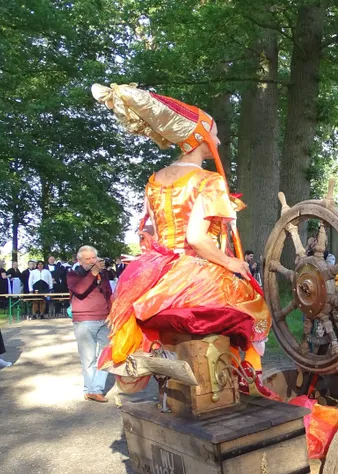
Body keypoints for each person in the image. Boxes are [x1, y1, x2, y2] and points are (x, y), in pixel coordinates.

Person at [91, 83, 274, 398]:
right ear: (201, 138)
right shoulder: (208, 180)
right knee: (257, 307)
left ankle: (170, 372)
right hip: (195, 272)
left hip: (158, 274)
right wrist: (231, 262)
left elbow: (149, 233)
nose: (219, 141)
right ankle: (247, 377)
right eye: (215, 135)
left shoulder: (154, 180)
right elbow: (196, 238)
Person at [67, 245, 113, 403]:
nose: (93, 261)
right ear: (80, 261)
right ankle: (92, 390)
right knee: (88, 358)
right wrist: (93, 273)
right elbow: (80, 290)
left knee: (107, 355)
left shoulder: (103, 274)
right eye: (88, 259)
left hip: (105, 319)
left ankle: (94, 389)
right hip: (85, 320)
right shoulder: (73, 274)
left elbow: (108, 293)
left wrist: (112, 313)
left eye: (94, 257)